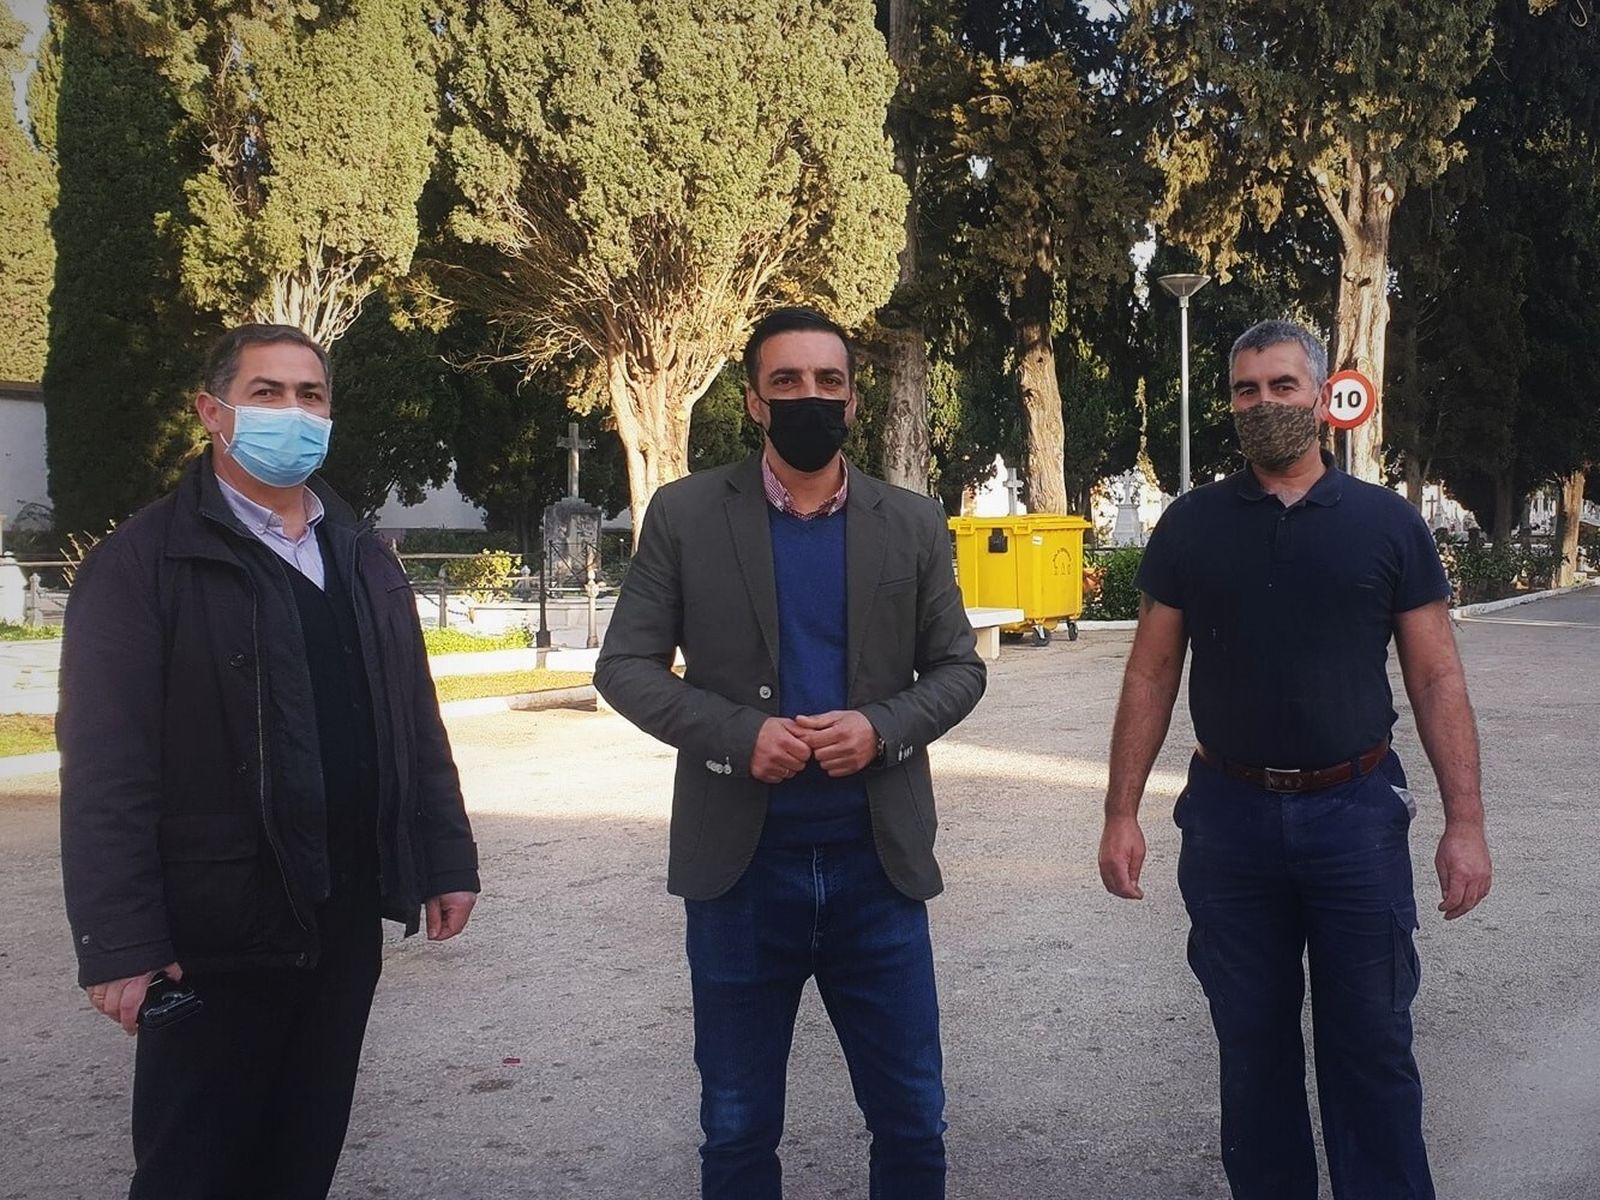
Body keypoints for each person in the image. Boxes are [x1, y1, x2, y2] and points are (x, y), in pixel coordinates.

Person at [59, 323, 481, 1200]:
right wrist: (121, 942)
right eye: (267, 394)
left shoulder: (361, 555)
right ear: (214, 413)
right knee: (197, 1166)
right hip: (215, 929)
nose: (294, 412)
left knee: (303, 1149)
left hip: (343, 911)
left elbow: (413, 720)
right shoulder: (144, 565)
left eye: (311, 396)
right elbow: (106, 769)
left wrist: (443, 859)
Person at [1096, 319, 1493, 1199]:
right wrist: (1120, 810)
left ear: (1320, 396)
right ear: (1230, 403)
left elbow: (1435, 679)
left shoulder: (1386, 525)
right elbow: (1152, 672)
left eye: (1282, 385)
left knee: (1373, 1047)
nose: (1264, 403)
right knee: (1252, 1047)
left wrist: (1465, 823)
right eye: (1246, 389)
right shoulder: (1191, 527)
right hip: (1229, 822)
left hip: (1354, 815)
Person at [594, 307, 986, 1199]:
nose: (811, 397)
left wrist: (881, 728)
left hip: (876, 868)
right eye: (788, 383)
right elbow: (624, 666)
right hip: (741, 874)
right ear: (753, 402)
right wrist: (739, 737)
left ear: (853, 401)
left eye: (829, 382)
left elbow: (959, 669)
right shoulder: (687, 514)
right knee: (735, 1132)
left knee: (913, 1122)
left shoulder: (913, 522)